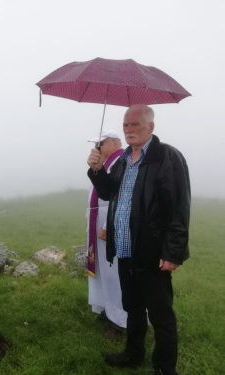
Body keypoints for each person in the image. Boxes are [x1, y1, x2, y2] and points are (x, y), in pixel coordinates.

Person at [87, 104, 190, 375]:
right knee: (133, 307)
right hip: (125, 249)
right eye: (125, 125)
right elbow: (109, 193)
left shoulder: (167, 157)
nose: (129, 130)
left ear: (150, 127)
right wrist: (97, 170)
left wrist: (173, 251)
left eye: (135, 124)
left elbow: (179, 207)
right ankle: (133, 354)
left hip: (153, 251)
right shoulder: (122, 161)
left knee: (161, 315)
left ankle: (165, 368)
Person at [85, 129, 127, 332]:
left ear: (113, 143)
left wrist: (108, 226)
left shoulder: (122, 161)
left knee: (113, 272)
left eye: (99, 144)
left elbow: (120, 196)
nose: (96, 149)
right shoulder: (108, 163)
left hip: (110, 223)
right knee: (102, 270)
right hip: (98, 218)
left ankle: (121, 318)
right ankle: (106, 308)